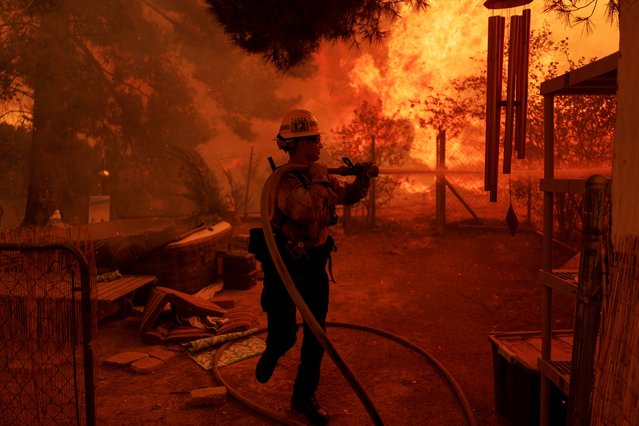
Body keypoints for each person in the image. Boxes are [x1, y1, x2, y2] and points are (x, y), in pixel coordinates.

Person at [250, 109, 372, 425]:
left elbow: (345, 197)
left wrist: (361, 179)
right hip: (285, 269)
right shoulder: (284, 181)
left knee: (316, 336)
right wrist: (319, 176)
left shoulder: (318, 176)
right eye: (315, 139)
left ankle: (303, 397)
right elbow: (305, 211)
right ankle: (273, 351)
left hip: (314, 266)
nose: (320, 144)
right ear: (299, 144)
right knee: (286, 335)